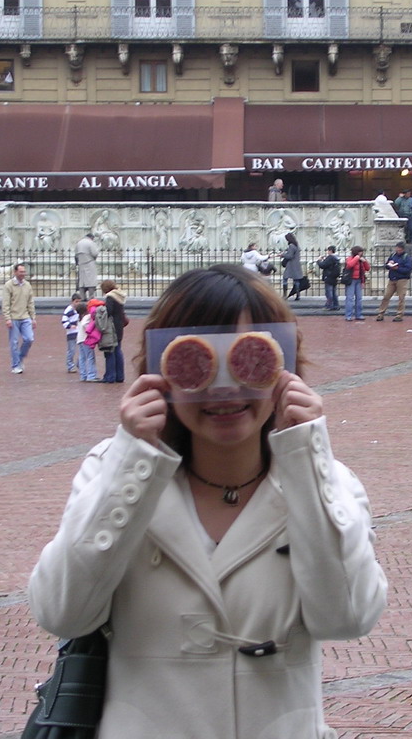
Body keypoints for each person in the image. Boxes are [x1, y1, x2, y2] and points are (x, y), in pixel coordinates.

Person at [28, 265, 386, 739]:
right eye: (195, 361)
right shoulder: (115, 472)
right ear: (160, 373)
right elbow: (61, 612)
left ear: (285, 371)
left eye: (249, 359)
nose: (223, 387)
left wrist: (306, 456)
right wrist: (134, 458)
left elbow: (348, 617)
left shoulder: (324, 481)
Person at [2, 263, 36, 374]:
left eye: (24, 272)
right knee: (14, 342)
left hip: (25, 316)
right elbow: (6, 303)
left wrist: (33, 318)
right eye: (21, 272)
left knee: (29, 339)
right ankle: (15, 365)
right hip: (14, 317)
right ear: (15, 272)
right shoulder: (9, 285)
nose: (23, 274)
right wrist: (7, 318)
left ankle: (20, 357)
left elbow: (30, 302)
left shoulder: (27, 285)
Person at [374, 242, 412, 322]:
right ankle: (381, 313)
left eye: (399, 249)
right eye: (397, 249)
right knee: (386, 296)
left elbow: (408, 269)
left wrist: (397, 268)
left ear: (403, 249)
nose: (397, 251)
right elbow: (386, 266)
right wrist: (389, 265)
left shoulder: (407, 258)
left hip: (402, 279)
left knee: (401, 297)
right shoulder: (393, 256)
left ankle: (399, 315)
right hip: (392, 279)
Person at [99, 279, 128, 384]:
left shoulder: (110, 297)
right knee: (118, 351)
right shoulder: (119, 296)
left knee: (110, 351)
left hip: (112, 328)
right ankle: (120, 376)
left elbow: (108, 312)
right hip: (119, 327)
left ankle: (110, 376)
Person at [343, 245, 370, 322]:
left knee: (359, 299)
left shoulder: (361, 260)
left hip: (359, 280)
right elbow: (349, 265)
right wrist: (356, 258)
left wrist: (364, 261)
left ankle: (359, 314)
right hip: (351, 280)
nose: (361, 253)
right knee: (350, 298)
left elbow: (367, 268)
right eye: (360, 252)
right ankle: (348, 315)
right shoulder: (350, 258)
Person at [74, 301, 98, 382]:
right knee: (90, 357)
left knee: (82, 358)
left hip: (80, 339)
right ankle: (91, 375)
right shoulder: (87, 316)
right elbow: (85, 325)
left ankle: (83, 375)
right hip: (86, 339)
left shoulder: (79, 318)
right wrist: (89, 331)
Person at [62, 293, 82, 374]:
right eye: (76, 302)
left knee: (81, 349)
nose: (77, 304)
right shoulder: (68, 310)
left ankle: (79, 363)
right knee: (72, 350)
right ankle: (70, 365)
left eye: (79, 302)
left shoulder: (79, 310)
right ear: (72, 301)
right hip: (71, 333)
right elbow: (64, 321)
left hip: (79, 332)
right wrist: (70, 326)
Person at [75, 231, 99, 300]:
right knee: (91, 280)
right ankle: (91, 296)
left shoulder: (79, 243)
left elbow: (76, 254)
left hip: (81, 263)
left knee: (82, 281)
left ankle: (82, 296)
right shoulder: (90, 243)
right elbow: (94, 253)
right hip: (89, 262)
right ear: (92, 238)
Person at [316, 245, 341, 311]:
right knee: (333, 292)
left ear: (330, 251)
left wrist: (319, 261)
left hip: (329, 277)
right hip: (334, 277)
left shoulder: (330, 257)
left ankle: (330, 305)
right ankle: (336, 305)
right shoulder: (336, 258)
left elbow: (323, 265)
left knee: (329, 292)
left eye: (328, 250)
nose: (327, 252)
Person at [281, 232, 304, 301]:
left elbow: (290, 256)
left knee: (285, 279)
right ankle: (298, 295)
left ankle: (285, 295)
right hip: (296, 265)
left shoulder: (291, 246)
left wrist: (283, 255)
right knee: (296, 281)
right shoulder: (297, 245)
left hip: (291, 265)